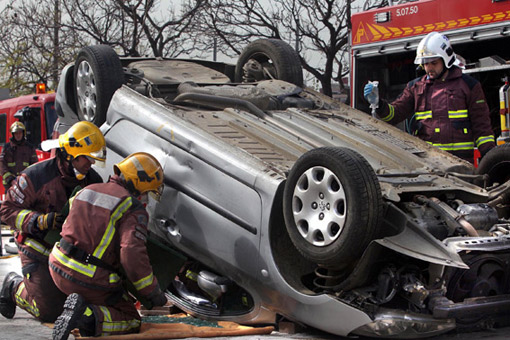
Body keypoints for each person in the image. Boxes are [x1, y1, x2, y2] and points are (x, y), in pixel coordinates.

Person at [49, 152, 167, 340]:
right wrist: (151, 291)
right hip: (86, 278)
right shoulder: (132, 207)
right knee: (130, 319)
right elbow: (131, 253)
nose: (145, 197)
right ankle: (87, 316)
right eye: (147, 191)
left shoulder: (86, 189)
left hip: (56, 266)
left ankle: (78, 307)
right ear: (139, 183)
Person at [0, 121, 106, 323]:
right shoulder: (36, 176)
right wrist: (40, 221)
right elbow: (6, 211)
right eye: (87, 158)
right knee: (49, 312)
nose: (90, 164)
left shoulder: (92, 180)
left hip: (69, 254)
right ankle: (14, 287)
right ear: (70, 154)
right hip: (37, 249)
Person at [364, 31, 496, 163]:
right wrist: (379, 104)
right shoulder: (415, 87)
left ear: (446, 60)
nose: (429, 68)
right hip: (428, 164)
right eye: (425, 63)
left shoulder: (469, 86)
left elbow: (482, 127)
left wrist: (491, 158)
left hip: (461, 164)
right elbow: (394, 115)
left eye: (434, 63)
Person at [0, 121, 38, 191]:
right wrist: (10, 179)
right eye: (16, 133)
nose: (18, 135)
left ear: (23, 133)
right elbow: (2, 165)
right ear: (13, 134)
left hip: (25, 185)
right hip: (9, 186)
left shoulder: (30, 148)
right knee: (10, 202)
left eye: (20, 133)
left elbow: (34, 166)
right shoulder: (6, 148)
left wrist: (27, 180)